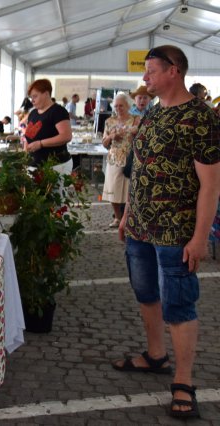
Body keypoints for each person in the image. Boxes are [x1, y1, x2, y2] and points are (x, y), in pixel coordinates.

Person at [112, 45, 220, 419]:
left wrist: (200, 237)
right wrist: (126, 214)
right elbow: (140, 170)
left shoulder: (201, 119)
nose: (145, 78)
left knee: (179, 304)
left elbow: (210, 186)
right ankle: (155, 355)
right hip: (140, 227)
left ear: (174, 71)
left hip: (176, 233)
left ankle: (185, 381)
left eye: (152, 71)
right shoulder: (154, 113)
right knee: (146, 293)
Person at [101, 93, 140, 228]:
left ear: (128, 106)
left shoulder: (135, 119)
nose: (118, 108)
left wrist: (132, 131)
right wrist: (112, 136)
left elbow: (139, 134)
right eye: (116, 106)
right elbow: (104, 143)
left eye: (121, 105)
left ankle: (128, 218)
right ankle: (117, 217)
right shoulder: (109, 121)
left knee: (130, 190)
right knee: (113, 189)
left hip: (130, 158)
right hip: (114, 159)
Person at [22, 79, 73, 175]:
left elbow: (66, 136)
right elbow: (29, 136)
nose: (32, 100)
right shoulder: (33, 113)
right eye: (31, 97)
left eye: (35, 96)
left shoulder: (58, 111)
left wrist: (41, 143)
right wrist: (25, 153)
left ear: (46, 94)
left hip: (55, 166)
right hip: (33, 165)